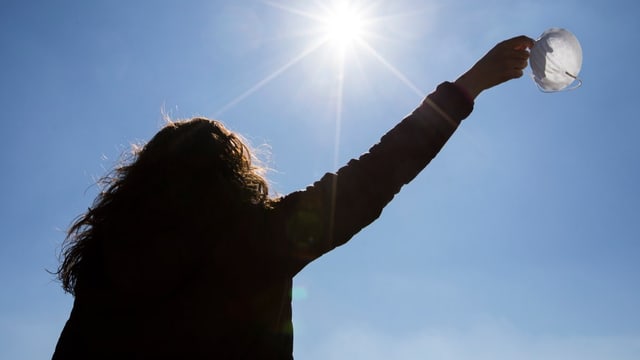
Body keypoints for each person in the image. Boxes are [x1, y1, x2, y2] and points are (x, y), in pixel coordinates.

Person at [52, 35, 534, 359]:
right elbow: (378, 172)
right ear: (233, 179)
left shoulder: (107, 263)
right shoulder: (256, 244)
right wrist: (470, 84)